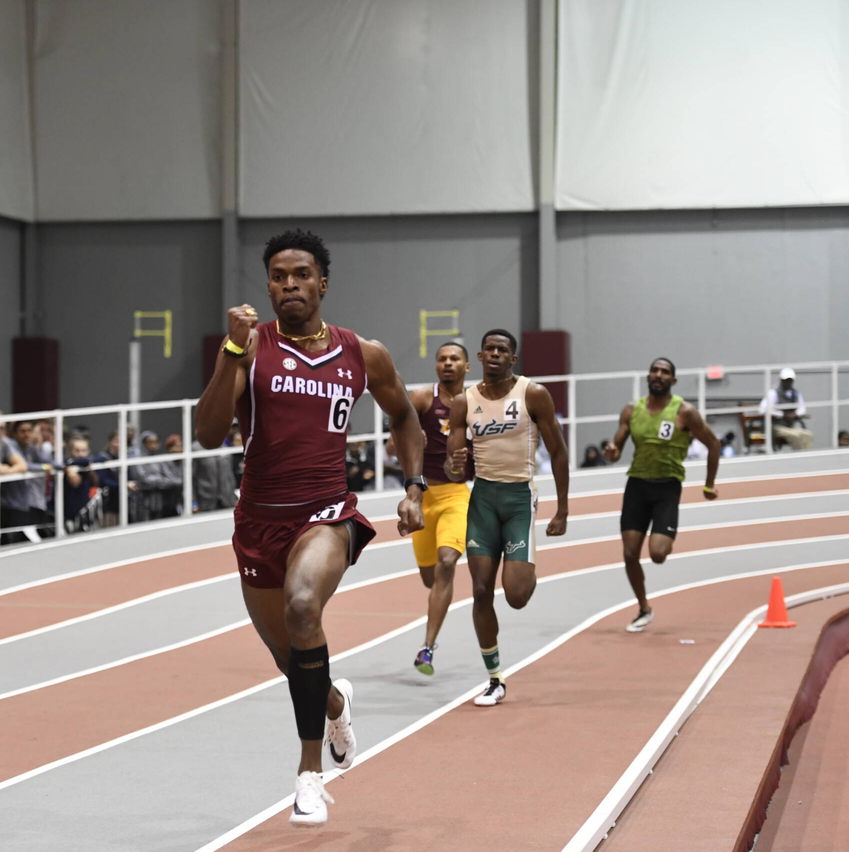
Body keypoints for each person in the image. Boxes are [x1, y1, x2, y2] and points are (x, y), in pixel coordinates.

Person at [194, 229, 424, 828]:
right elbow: (207, 432)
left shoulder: (361, 353)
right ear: (267, 285)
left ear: (322, 283)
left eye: (300, 275)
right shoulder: (252, 348)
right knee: (291, 657)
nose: (289, 285)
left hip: (326, 513)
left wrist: (414, 489)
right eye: (277, 276)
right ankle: (335, 702)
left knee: (303, 606)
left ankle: (308, 775)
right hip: (258, 522)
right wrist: (231, 352)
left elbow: (404, 415)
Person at [445, 329, 569, 705]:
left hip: (518, 498)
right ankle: (495, 678)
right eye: (490, 350)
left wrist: (563, 509)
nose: (496, 355)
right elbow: (453, 468)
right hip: (482, 499)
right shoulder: (463, 402)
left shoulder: (532, 394)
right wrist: (454, 464)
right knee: (481, 591)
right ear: (480, 357)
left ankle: (524, 566)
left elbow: (559, 452)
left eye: (503, 350)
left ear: (512, 360)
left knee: (515, 596)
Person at [604, 357, 721, 632]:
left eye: (665, 372)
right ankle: (644, 607)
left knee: (657, 554)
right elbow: (617, 447)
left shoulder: (685, 412)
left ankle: (664, 536)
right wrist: (612, 451)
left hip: (667, 486)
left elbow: (714, 444)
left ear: (673, 380)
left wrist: (709, 483)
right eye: (654, 370)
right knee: (630, 553)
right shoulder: (631, 410)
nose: (658, 375)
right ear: (648, 377)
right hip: (637, 485)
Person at [388, 341, 473, 676]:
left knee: (448, 562)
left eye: (455, 359)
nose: (447, 363)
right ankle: (439, 598)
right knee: (429, 577)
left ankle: (427, 647)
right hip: (423, 498)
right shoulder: (423, 399)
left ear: (467, 366)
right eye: (442, 359)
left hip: (456, 496)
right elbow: (391, 447)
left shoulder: (477, 403)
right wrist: (411, 443)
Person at [758, 367, 812, 451]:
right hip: (776, 426)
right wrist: (782, 415)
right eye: (786, 380)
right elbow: (763, 409)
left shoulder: (795, 393)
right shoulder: (773, 392)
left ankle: (806, 456)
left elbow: (802, 408)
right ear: (781, 380)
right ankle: (799, 458)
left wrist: (794, 414)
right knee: (795, 436)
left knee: (807, 435)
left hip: (788, 426)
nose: (788, 382)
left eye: (790, 380)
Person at [63, 436, 99, 531]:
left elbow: (98, 459)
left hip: (85, 511)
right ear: (70, 452)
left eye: (84, 451)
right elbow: (61, 463)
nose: (80, 454)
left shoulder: (85, 464)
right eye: (77, 451)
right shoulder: (66, 465)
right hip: (68, 514)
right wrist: (68, 468)